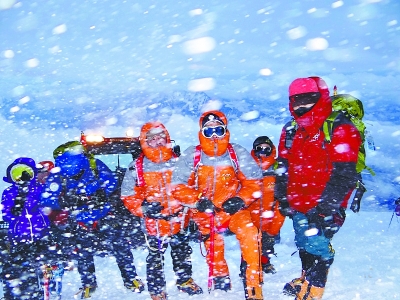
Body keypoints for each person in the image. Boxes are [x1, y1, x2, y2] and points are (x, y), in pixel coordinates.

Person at [275, 77, 361, 299]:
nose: (300, 106)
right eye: (295, 101)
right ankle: (305, 278)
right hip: (298, 200)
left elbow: (345, 173)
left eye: (307, 99)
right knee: (303, 240)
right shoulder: (290, 130)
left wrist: (325, 207)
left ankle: (315, 290)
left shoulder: (339, 128)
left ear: (320, 98)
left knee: (319, 245)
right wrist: (283, 197)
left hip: (325, 203)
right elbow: (283, 166)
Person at [171, 110, 264, 300]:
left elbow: (254, 182)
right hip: (206, 210)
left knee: (250, 235)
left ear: (225, 131)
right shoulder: (193, 154)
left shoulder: (236, 153)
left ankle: (253, 284)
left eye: (218, 130)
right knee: (213, 245)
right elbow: (178, 186)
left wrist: (240, 199)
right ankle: (220, 280)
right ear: (201, 132)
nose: (214, 135)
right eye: (208, 131)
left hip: (233, 209)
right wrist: (197, 201)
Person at [40, 141, 144, 298]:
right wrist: (68, 200)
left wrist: (99, 194)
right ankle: (91, 283)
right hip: (81, 218)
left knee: (117, 247)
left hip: (103, 214)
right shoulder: (59, 173)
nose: (80, 152)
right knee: (86, 253)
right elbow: (47, 198)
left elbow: (110, 182)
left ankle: (128, 279)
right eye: (76, 150)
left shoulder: (93, 163)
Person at [121, 121, 203, 300]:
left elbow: (192, 186)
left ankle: (184, 281)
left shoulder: (180, 162)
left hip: (180, 219)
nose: (157, 141)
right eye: (152, 138)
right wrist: (143, 208)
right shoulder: (136, 167)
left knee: (182, 252)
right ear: (145, 141)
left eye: (161, 137)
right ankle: (157, 290)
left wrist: (195, 204)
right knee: (155, 258)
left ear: (167, 138)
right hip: (154, 222)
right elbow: (127, 195)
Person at [1, 157, 56, 299]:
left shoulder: (39, 189)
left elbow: (48, 204)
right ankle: (19, 293)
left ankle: (43, 291)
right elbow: (6, 214)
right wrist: (17, 204)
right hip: (20, 238)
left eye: (24, 173)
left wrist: (27, 193)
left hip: (41, 235)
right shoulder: (9, 192)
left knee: (42, 269)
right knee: (21, 270)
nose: (20, 178)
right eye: (16, 174)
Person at [248, 136, 285, 274]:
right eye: (259, 148)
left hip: (271, 210)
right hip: (252, 211)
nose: (263, 151)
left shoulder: (277, 166)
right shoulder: (248, 166)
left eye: (266, 148)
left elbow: (283, 188)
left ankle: (265, 262)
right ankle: (248, 264)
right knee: (250, 240)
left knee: (269, 238)